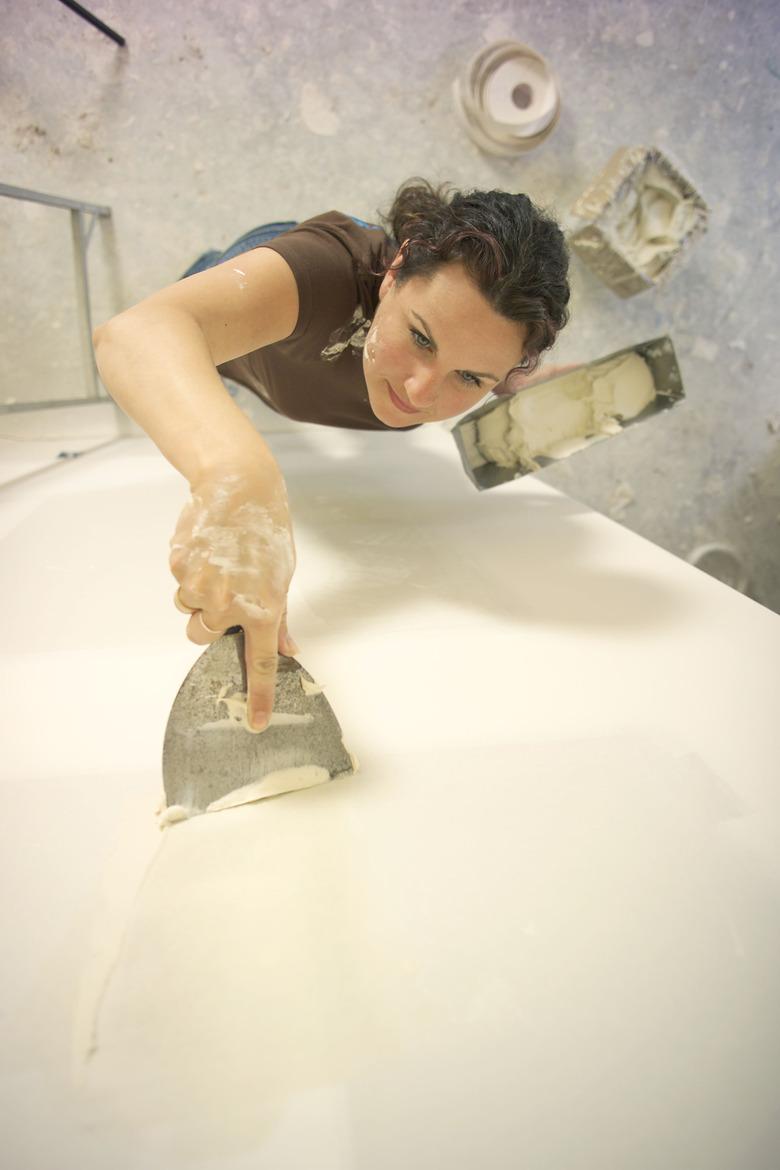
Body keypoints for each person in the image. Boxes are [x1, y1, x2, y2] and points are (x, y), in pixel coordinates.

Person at [92, 178, 570, 730]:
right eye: (420, 338)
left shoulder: (477, 361)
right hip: (267, 313)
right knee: (200, 303)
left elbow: (470, 353)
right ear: (394, 274)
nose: (419, 394)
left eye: (469, 376)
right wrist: (239, 474)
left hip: (318, 376)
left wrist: (504, 385)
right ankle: (209, 270)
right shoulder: (324, 274)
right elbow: (134, 334)